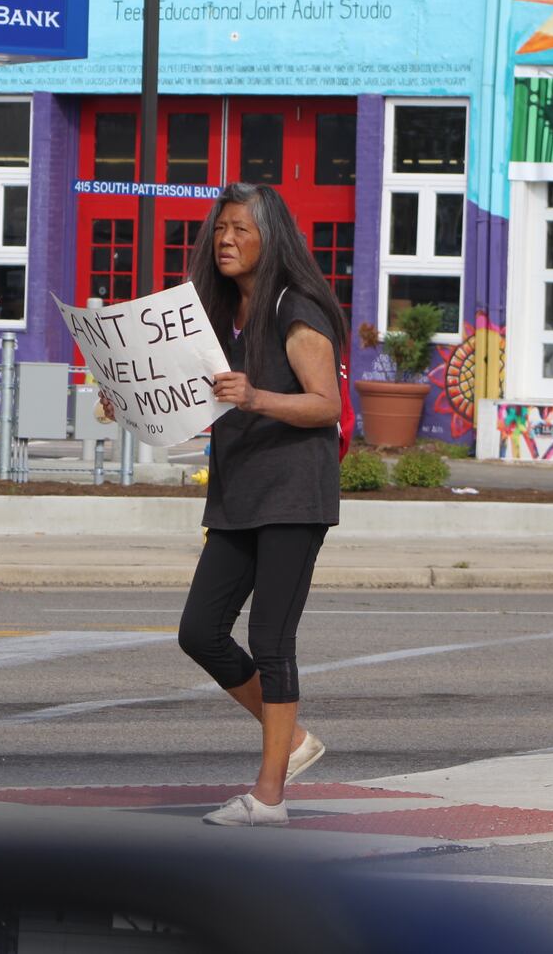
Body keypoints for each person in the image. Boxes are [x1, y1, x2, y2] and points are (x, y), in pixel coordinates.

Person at [181, 182, 346, 827]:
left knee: (271, 642)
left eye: (242, 230)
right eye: (220, 229)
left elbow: (326, 405)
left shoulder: (293, 306)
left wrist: (256, 399)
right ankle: (295, 737)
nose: (226, 239)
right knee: (199, 631)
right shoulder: (219, 317)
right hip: (237, 493)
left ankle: (269, 796)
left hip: (292, 494)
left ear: (270, 237)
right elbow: (201, 402)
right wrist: (130, 404)